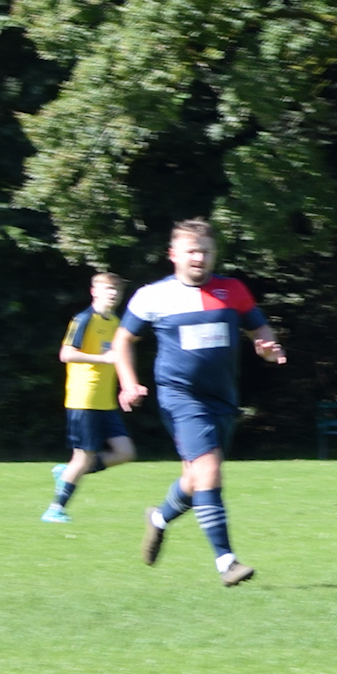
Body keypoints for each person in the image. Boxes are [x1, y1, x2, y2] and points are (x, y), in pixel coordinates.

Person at [115, 220, 285, 587]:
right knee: (209, 470)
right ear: (173, 255)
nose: (199, 257)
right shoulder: (152, 296)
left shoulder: (233, 290)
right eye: (192, 250)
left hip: (223, 399)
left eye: (206, 251)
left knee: (195, 479)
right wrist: (129, 382)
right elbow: (123, 340)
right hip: (180, 398)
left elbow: (260, 330)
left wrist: (268, 349)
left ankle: (158, 519)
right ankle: (227, 563)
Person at [44, 272, 136, 523]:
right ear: (94, 291)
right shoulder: (83, 319)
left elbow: (119, 358)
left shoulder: (116, 322)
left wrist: (126, 387)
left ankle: (68, 473)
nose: (113, 293)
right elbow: (66, 354)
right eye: (108, 288)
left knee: (125, 452)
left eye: (116, 289)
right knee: (82, 457)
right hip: (83, 398)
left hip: (104, 401)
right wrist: (101, 359)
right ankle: (55, 509)